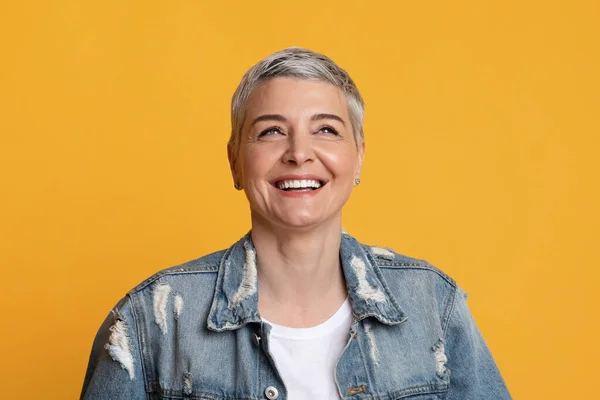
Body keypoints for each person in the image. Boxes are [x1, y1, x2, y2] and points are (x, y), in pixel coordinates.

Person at [80, 47, 511, 400]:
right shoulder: (150, 320)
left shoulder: (433, 305)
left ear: (358, 157)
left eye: (325, 130)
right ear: (234, 161)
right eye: (271, 132)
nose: (299, 152)